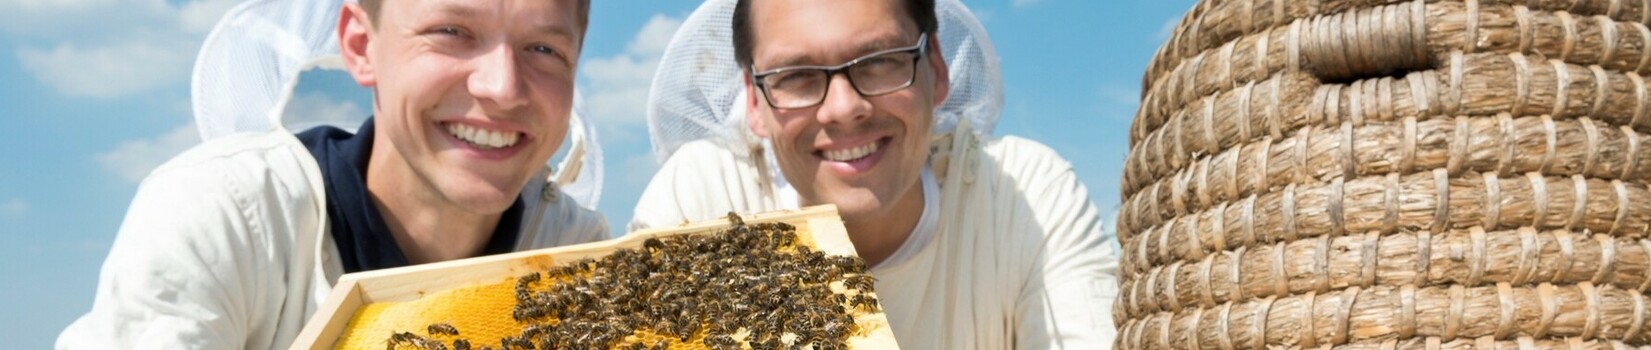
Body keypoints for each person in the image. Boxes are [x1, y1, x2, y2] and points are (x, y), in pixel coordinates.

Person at [58, 0, 606, 348]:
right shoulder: (226, 217)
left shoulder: (578, 252)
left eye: (543, 48)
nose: (503, 87)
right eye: (451, 31)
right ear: (360, 45)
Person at [632, 0, 1118, 348]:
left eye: (881, 62)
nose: (844, 109)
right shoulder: (700, 201)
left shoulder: (1025, 196)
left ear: (937, 68)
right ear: (754, 102)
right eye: (796, 75)